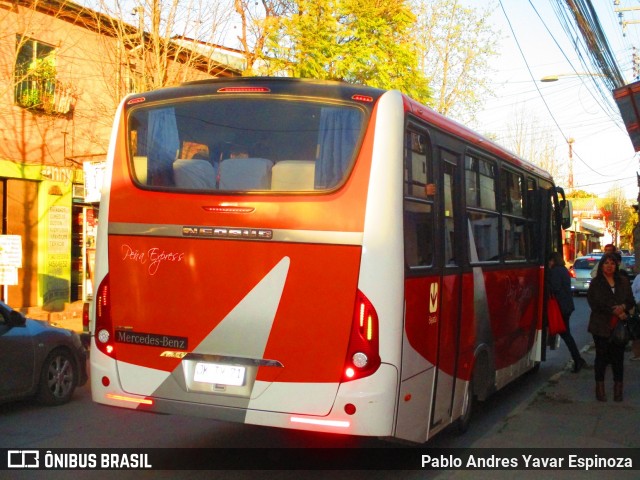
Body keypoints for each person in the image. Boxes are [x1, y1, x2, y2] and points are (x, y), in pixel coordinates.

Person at [587, 252, 635, 402]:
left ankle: (618, 390)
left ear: (616, 265)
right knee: (601, 357)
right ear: (601, 265)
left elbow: (631, 301)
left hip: (619, 327)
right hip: (601, 326)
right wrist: (614, 311)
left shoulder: (623, 282)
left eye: (612, 263)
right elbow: (594, 303)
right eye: (606, 263)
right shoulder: (596, 283)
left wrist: (623, 307)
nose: (609, 266)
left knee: (618, 359)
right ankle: (600, 390)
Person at [548, 252, 587, 373]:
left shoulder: (555, 271)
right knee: (566, 333)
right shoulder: (563, 269)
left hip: (561, 307)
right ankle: (578, 359)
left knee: (565, 334)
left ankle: (577, 359)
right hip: (567, 306)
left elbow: (555, 287)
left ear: (553, 261)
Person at [631, 269, 640, 361]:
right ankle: (637, 354)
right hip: (638, 306)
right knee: (636, 332)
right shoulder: (638, 277)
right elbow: (632, 290)